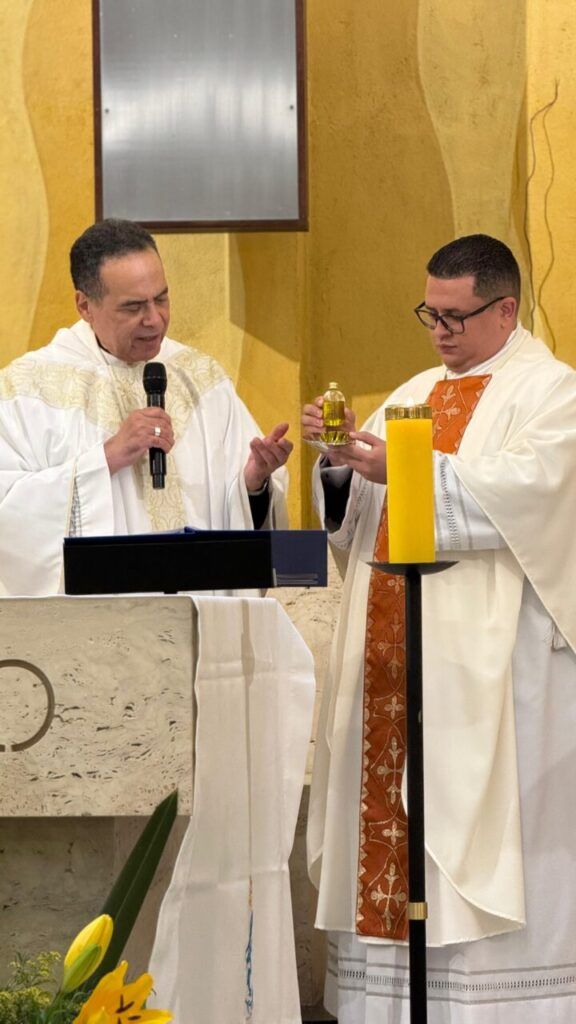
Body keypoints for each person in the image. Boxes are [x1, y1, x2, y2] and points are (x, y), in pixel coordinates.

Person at [302, 234, 576, 1023]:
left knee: (476, 828)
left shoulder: (550, 392)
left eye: (455, 317)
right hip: (398, 662)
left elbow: (533, 497)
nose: (440, 332)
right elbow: (362, 527)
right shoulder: (413, 391)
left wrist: (408, 469)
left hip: (494, 673)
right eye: (430, 314)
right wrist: (339, 468)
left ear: (506, 309)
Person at [0, 219, 292, 595]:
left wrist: (253, 483)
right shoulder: (26, 391)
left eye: (162, 298)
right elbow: (8, 511)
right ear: (85, 305)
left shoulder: (201, 379)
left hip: (200, 620)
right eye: (134, 306)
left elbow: (242, 521)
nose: (154, 319)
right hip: (97, 636)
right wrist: (104, 459)